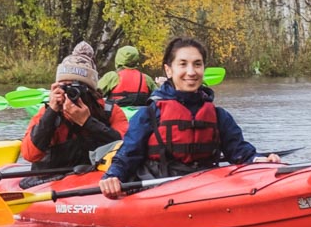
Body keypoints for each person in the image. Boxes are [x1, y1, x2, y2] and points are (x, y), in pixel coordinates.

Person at [100, 37, 276, 197]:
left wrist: (259, 160)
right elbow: (128, 155)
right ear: (168, 70)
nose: (191, 72)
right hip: (159, 189)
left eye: (197, 64)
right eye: (183, 64)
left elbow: (240, 152)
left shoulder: (218, 115)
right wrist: (113, 176)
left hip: (204, 187)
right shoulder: (149, 114)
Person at [22, 42, 130, 171]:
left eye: (75, 88)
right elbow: (29, 155)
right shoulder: (47, 113)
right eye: (64, 87)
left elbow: (128, 150)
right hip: (52, 182)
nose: (70, 94)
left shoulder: (110, 112)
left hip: (94, 181)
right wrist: (51, 112)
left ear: (90, 90)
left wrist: (88, 123)